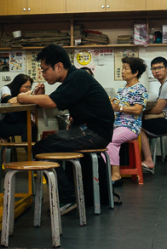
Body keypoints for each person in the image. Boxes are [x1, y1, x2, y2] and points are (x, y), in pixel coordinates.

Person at [16, 44, 115, 211]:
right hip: (91, 130)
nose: (43, 73)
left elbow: (52, 102)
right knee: (48, 145)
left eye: (45, 69)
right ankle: (71, 195)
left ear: (59, 66)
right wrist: (37, 98)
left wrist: (23, 97)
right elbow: (54, 101)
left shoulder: (78, 77)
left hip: (95, 133)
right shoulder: (73, 79)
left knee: (41, 147)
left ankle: (68, 197)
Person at [108, 57, 148, 184]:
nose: (122, 71)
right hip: (117, 125)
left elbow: (137, 110)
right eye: (122, 68)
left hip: (131, 126)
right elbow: (117, 106)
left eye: (126, 69)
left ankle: (116, 175)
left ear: (135, 72)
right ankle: (104, 173)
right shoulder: (122, 88)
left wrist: (118, 108)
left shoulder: (140, 89)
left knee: (112, 140)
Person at [0, 74, 39, 140]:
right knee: (25, 127)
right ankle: (30, 150)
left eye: (29, 87)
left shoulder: (18, 94)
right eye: (26, 87)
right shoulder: (5, 89)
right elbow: (10, 101)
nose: (28, 90)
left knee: (33, 126)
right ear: (17, 85)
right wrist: (27, 95)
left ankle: (35, 149)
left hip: (6, 122)